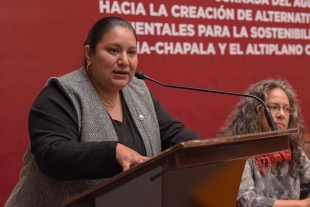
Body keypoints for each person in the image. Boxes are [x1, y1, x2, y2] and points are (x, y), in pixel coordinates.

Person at [5, 16, 202, 207]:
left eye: (131, 52)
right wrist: (114, 152)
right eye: (114, 50)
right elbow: (51, 153)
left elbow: (171, 132)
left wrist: (205, 149)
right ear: (89, 54)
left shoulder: (138, 90)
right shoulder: (61, 93)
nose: (124, 61)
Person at [218, 79, 310, 207]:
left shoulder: (293, 149)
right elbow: (246, 202)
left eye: (287, 109)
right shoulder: (240, 152)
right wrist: (300, 205)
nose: (282, 114)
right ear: (256, 112)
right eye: (273, 107)